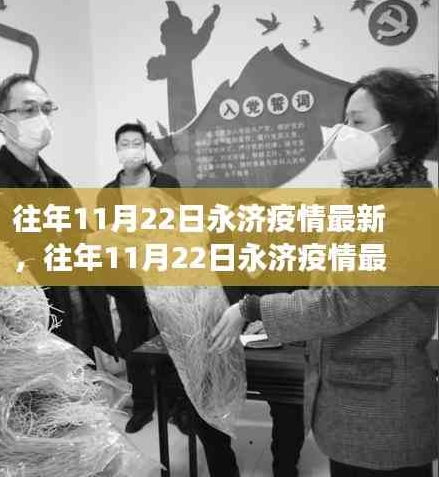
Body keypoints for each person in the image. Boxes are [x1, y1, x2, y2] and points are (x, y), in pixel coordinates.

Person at [210, 68, 438, 477]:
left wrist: (252, 307)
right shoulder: (360, 194)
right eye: (344, 120)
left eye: (357, 121)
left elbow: (343, 301)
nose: (344, 132)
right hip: (346, 396)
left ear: (396, 131)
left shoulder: (410, 212)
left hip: (383, 412)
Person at [0, 73, 117, 362]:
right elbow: (5, 275)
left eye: (46, 109)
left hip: (78, 327)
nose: (41, 118)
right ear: (1, 122)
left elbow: (85, 246)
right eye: (29, 110)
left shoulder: (57, 183)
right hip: (34, 342)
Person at [97, 122, 187, 433]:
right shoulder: (108, 194)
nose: (131, 149)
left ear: (144, 147)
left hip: (167, 276)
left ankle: (178, 406)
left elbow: (182, 229)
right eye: (124, 144)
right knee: (135, 347)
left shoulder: (167, 184)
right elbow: (106, 239)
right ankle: (143, 406)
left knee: (172, 341)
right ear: (117, 150)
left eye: (136, 143)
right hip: (128, 281)